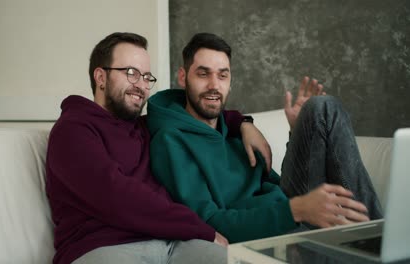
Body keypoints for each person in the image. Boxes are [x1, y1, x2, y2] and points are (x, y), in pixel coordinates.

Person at [45, 32, 271, 264]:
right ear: (101, 77)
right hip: (101, 248)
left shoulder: (147, 127)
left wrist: (242, 123)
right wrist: (200, 229)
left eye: (146, 77)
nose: (141, 85)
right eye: (131, 73)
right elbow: (117, 196)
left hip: (172, 245)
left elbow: (196, 112)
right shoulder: (73, 129)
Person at [146, 32, 383, 244]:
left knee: (321, 107)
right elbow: (208, 222)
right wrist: (295, 211)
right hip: (270, 232)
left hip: (290, 210)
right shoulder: (170, 141)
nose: (213, 85)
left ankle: (378, 235)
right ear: (182, 76)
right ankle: (378, 242)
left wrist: (297, 133)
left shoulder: (235, 129)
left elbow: (277, 185)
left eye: (222, 75)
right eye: (203, 74)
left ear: (230, 81)